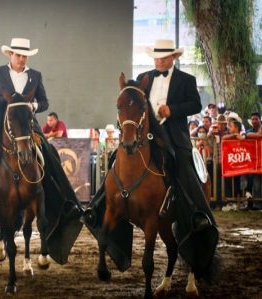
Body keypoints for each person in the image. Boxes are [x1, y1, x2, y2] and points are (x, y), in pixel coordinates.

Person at [85, 39, 218, 279]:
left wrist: (172, 110)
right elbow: (130, 103)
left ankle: (197, 213)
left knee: (184, 167)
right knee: (118, 160)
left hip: (174, 137)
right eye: (157, 57)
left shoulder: (186, 80)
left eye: (164, 58)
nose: (159, 61)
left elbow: (196, 104)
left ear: (173, 59)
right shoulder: (144, 77)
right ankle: (98, 205)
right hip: (146, 133)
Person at [0, 37, 82, 265]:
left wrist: (32, 106)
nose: (22, 59)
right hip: (1, 124)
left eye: (25, 56)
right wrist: (6, 109)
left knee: (48, 154)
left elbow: (45, 102)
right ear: (10, 55)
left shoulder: (35, 76)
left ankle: (66, 201)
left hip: (28, 125)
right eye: (18, 55)